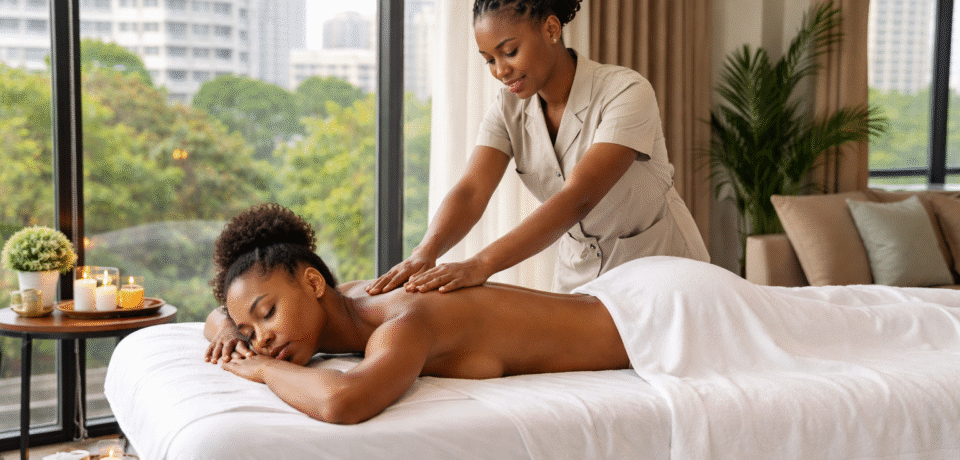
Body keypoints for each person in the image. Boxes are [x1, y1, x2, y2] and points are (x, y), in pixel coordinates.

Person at [365, 0, 709, 296]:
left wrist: (480, 265)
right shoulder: (507, 108)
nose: (500, 71)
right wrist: (425, 252)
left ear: (550, 29)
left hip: (659, 268)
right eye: (488, 59)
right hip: (580, 278)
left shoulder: (626, 91)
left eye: (509, 51)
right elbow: (472, 191)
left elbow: (579, 198)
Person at [204, 203, 630, 424]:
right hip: (617, 301)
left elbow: (342, 402)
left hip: (645, 322)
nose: (259, 339)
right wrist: (227, 327)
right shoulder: (350, 296)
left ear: (315, 284)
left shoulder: (401, 322)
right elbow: (212, 317)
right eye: (248, 332)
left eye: (268, 313)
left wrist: (262, 369)